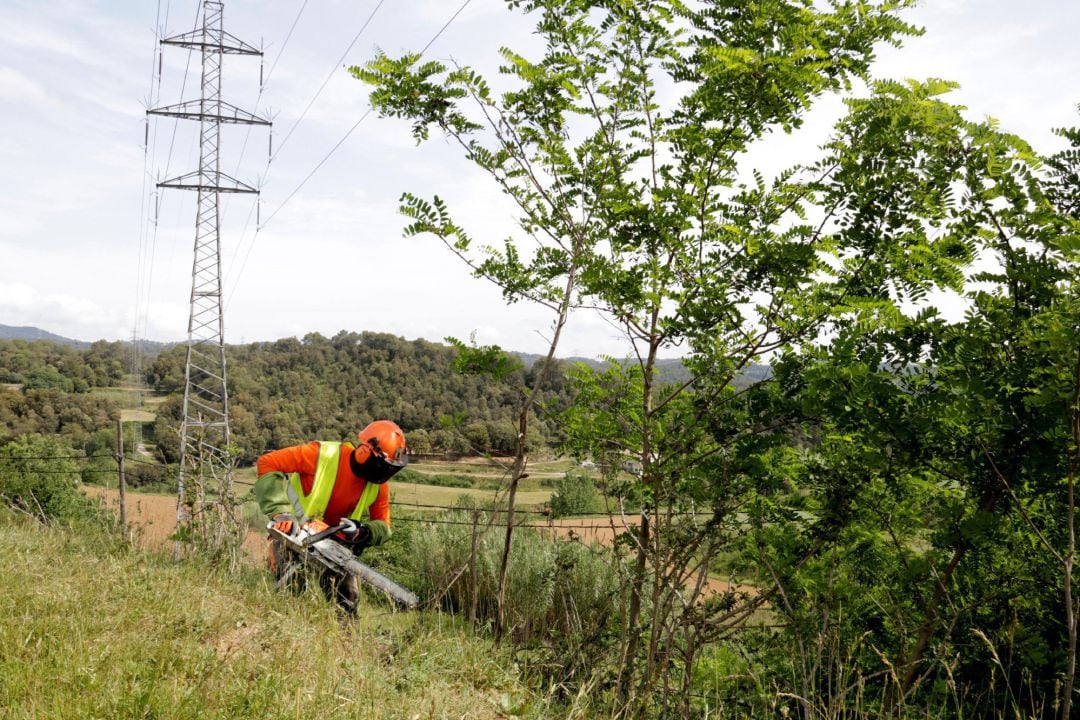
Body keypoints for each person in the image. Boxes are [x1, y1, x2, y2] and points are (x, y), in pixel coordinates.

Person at [254, 419, 408, 607]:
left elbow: (384, 526)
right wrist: (280, 512)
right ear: (365, 452)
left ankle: (345, 635)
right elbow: (268, 462)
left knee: (347, 601)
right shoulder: (321, 455)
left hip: (334, 547)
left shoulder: (378, 487)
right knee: (290, 597)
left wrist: (362, 532)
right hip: (295, 537)